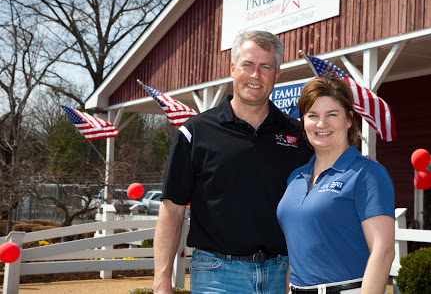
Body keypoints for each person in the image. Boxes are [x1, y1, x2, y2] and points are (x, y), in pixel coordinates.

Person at [153, 31, 312, 294]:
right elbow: (172, 210)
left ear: (277, 74)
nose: (255, 75)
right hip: (217, 276)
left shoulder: (297, 135)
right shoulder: (196, 131)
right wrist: (161, 282)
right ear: (232, 69)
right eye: (248, 65)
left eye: (265, 67)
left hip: (282, 275)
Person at [277, 77, 395, 294]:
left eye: (332, 114)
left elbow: (383, 251)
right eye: (313, 115)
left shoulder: (367, 173)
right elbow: (294, 255)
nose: (322, 124)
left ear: (349, 119)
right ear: (303, 121)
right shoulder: (295, 178)